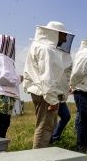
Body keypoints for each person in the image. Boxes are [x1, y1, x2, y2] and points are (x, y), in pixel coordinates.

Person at [23, 21, 74, 149]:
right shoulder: (46, 49)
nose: (64, 38)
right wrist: (52, 100)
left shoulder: (43, 47)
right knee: (44, 127)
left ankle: (43, 155)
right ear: (54, 34)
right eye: (62, 35)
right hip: (45, 94)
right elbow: (47, 78)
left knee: (48, 126)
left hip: (44, 92)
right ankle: (38, 159)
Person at [51, 34, 75, 143]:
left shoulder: (64, 56)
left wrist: (68, 86)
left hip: (60, 94)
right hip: (52, 93)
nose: (65, 40)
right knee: (51, 120)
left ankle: (55, 137)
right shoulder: (49, 52)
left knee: (66, 116)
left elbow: (66, 75)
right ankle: (50, 141)